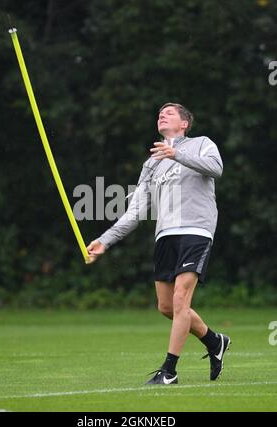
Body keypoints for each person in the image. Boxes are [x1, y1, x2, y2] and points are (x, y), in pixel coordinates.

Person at [86, 102, 231, 385]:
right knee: (166, 307)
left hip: (196, 230)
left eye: (169, 112)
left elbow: (216, 169)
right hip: (165, 235)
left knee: (180, 300)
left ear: (184, 123)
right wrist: (106, 240)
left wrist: (176, 154)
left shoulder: (201, 144)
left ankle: (169, 372)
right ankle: (215, 341)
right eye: (159, 113)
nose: (161, 115)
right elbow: (135, 212)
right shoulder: (151, 163)